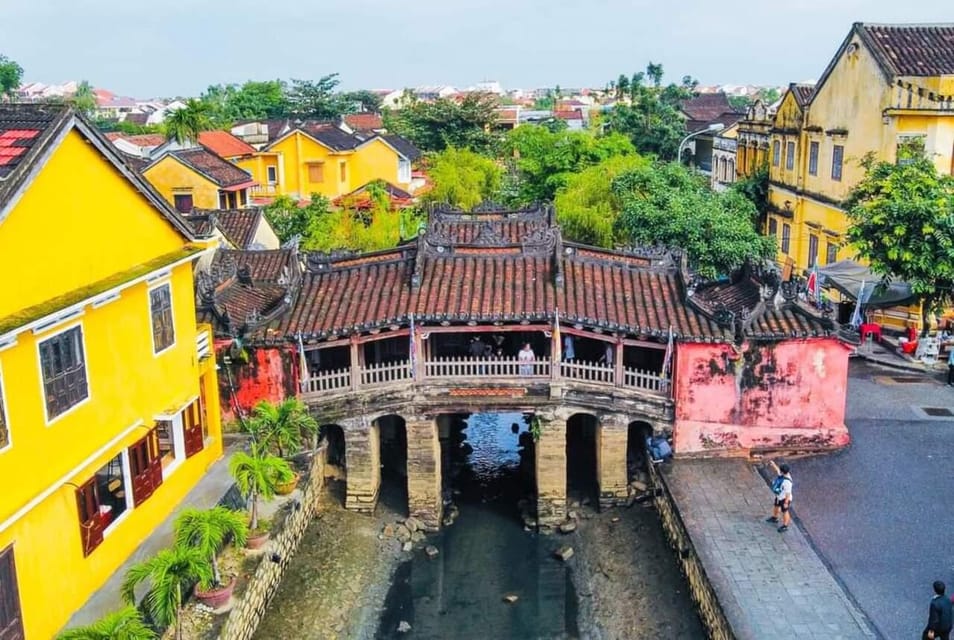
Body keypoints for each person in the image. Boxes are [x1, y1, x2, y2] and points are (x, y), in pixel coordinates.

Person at [765, 460, 793, 533]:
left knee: (785, 511)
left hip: (784, 499)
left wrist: (786, 503)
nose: (779, 471)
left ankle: (785, 525)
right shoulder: (783, 475)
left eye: (781, 471)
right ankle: (775, 517)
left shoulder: (787, 482)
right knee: (776, 506)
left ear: (783, 472)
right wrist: (773, 464)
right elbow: (777, 470)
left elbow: (788, 493)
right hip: (779, 496)